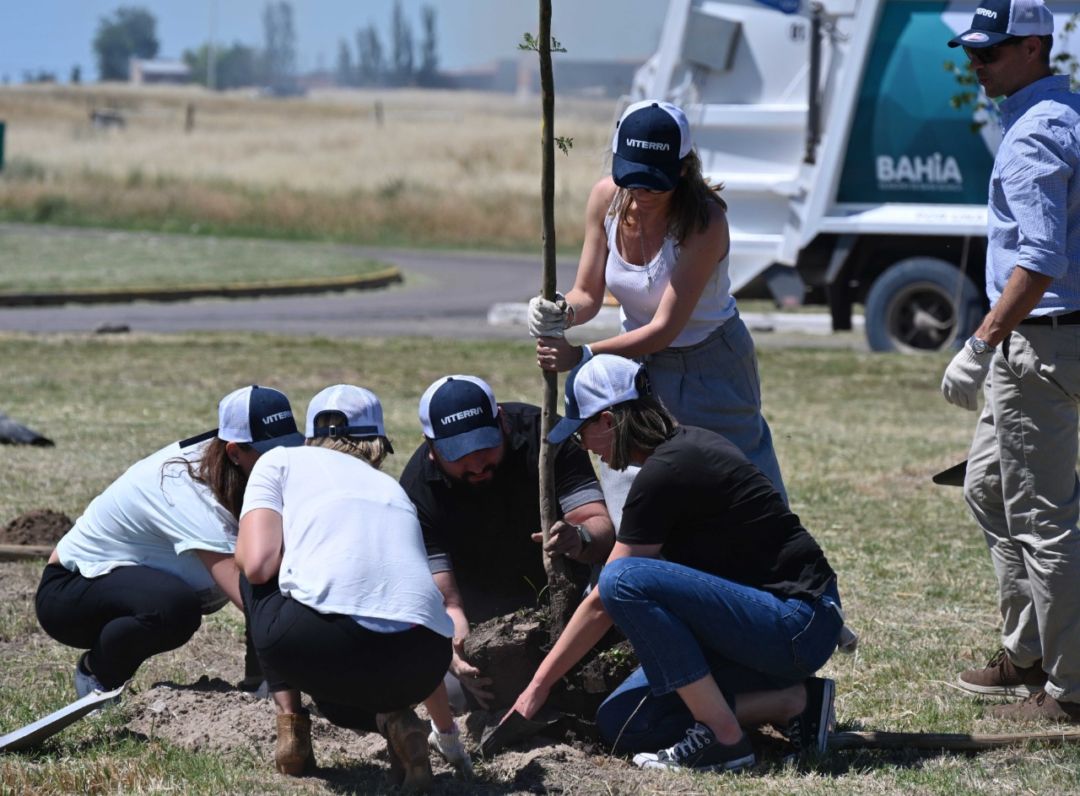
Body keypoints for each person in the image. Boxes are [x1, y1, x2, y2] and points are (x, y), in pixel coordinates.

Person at [509, 355, 843, 773]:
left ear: (609, 421)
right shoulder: (683, 450)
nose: (586, 448)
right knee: (627, 721)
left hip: (796, 625)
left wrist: (537, 686)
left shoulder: (668, 471)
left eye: (583, 433)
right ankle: (795, 702)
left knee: (622, 580)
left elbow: (606, 598)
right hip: (766, 627)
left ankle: (724, 739)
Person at [529, 99, 787, 516]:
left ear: (684, 169)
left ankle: (776, 576)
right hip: (636, 365)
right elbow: (588, 294)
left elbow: (666, 326)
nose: (642, 192)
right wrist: (560, 311)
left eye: (655, 182)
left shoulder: (706, 221)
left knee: (739, 483)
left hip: (710, 365)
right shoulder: (605, 200)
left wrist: (582, 356)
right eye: (632, 178)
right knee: (635, 486)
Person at [941, 0, 1080, 723]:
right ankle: (1026, 651)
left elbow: (1041, 258)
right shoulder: (1065, 111)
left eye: (987, 55)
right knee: (988, 489)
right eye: (971, 53)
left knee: (1042, 518)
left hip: (1037, 340)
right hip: (1050, 338)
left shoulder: (1034, 134)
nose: (975, 66)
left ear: (1032, 47)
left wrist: (982, 341)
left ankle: (1069, 691)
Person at [236, 384, 471, 787]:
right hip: (423, 656)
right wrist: (449, 738)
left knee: (255, 567)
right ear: (379, 444)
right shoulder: (393, 490)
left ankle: (291, 727)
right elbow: (413, 609)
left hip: (322, 646)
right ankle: (398, 721)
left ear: (309, 436)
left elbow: (258, 566)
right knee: (352, 678)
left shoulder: (279, 461)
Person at [35, 385, 304, 700]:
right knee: (174, 609)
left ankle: (258, 681)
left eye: (289, 448)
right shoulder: (188, 487)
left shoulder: (237, 467)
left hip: (129, 580)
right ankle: (97, 674)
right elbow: (251, 591)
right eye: (270, 453)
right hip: (70, 594)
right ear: (234, 452)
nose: (283, 462)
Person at [398, 374, 615, 708]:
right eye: (458, 455)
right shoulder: (418, 489)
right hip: (484, 617)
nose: (476, 465)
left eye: (485, 446)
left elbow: (600, 527)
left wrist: (578, 537)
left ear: (502, 423)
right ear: (432, 449)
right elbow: (447, 601)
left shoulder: (547, 437)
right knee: (458, 694)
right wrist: (456, 648)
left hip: (571, 603)